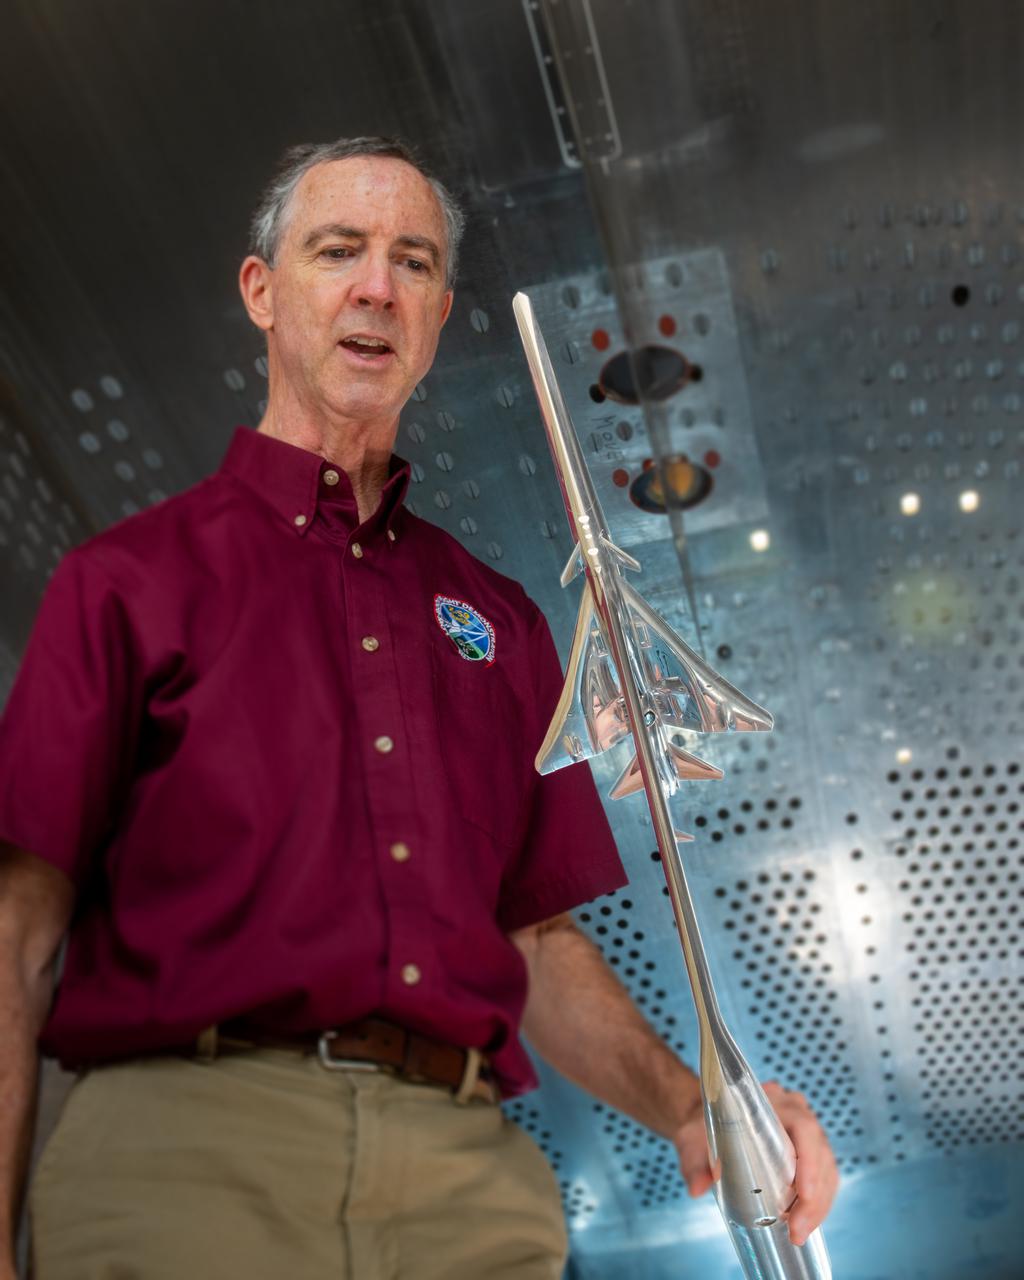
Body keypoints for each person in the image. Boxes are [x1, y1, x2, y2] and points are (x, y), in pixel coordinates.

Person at [0, 136, 838, 1279]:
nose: (375, 287)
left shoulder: (501, 620)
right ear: (262, 291)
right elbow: (17, 930)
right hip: (188, 1156)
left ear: (440, 315)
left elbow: (533, 940)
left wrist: (692, 1106)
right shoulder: (127, 582)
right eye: (337, 250)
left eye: (412, 261)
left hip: (463, 1175)